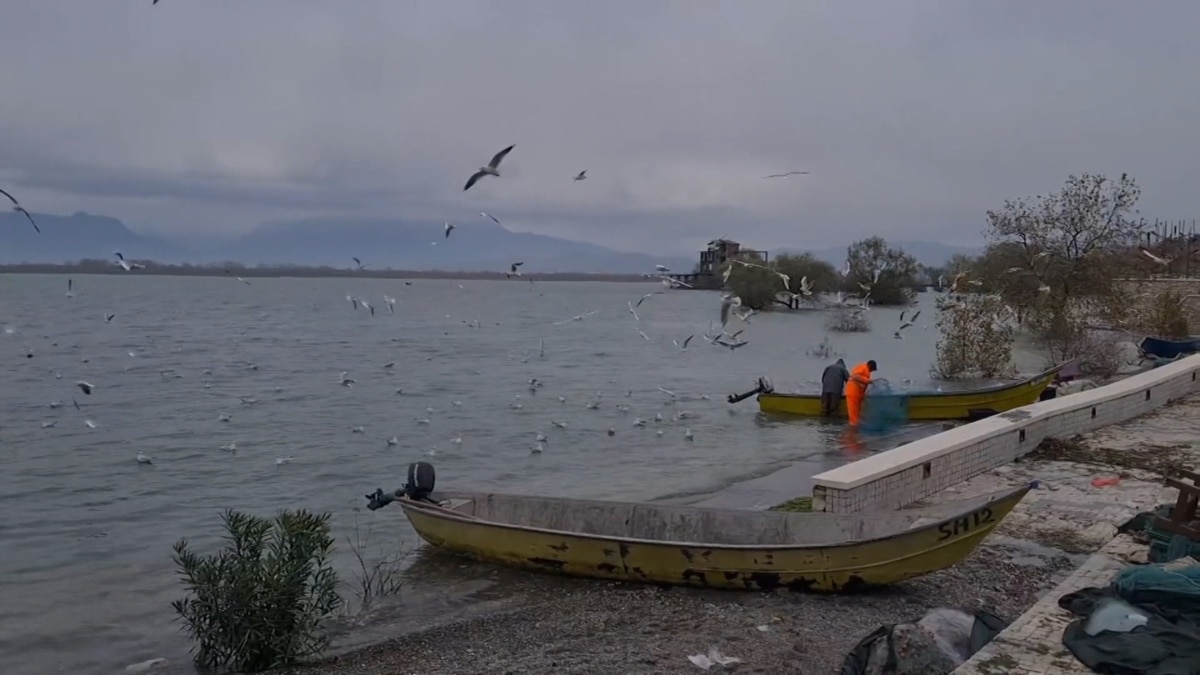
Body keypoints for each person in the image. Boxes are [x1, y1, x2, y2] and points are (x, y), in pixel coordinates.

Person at [844, 359, 877, 426]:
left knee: (857, 412)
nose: (871, 371)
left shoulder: (867, 372)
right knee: (853, 412)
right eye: (872, 370)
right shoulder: (863, 367)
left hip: (857, 395)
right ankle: (853, 427)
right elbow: (855, 376)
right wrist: (867, 380)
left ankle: (856, 425)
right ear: (870, 366)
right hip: (852, 393)